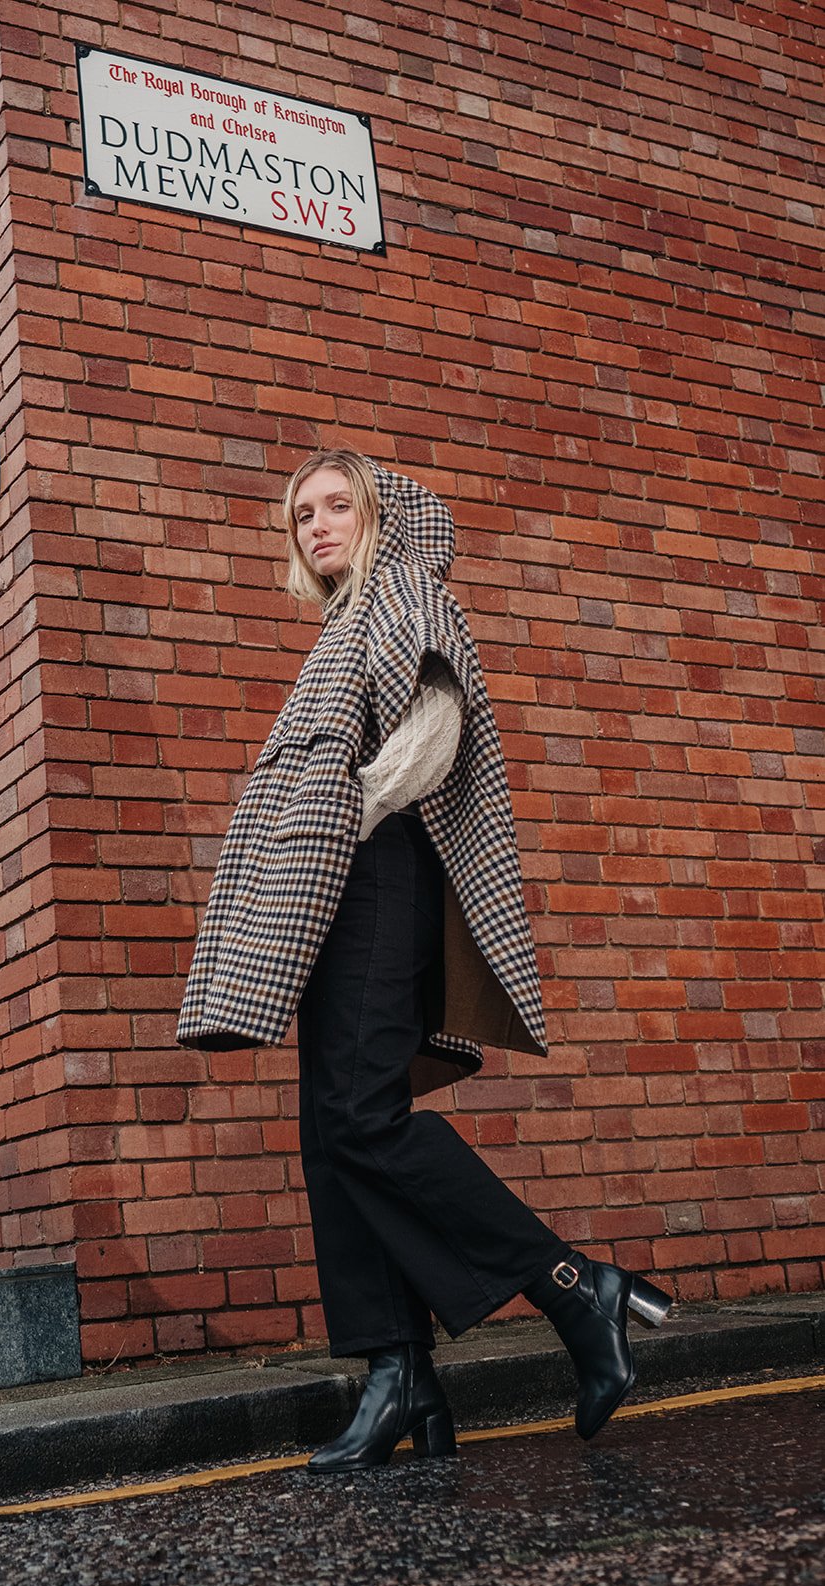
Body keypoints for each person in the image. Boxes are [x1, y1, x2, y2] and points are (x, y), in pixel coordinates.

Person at [177, 450, 672, 1472]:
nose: (314, 526)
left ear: (375, 512)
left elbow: (433, 725)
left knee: (362, 1117)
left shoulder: (401, 588)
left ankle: (576, 1288)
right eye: (299, 514)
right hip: (340, 886)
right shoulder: (339, 622)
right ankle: (400, 1379)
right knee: (331, 1132)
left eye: (333, 505)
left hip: (373, 871)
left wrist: (339, 816)